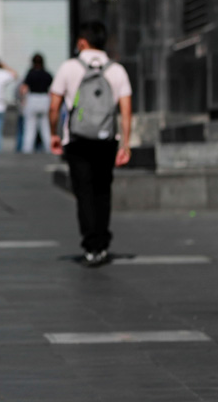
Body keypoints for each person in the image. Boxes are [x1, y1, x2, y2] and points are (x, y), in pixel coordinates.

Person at [48, 20, 133, 267]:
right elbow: (126, 111)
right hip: (106, 140)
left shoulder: (69, 68)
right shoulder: (117, 70)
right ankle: (103, 243)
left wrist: (53, 133)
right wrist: (125, 144)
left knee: (83, 191)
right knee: (102, 191)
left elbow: (54, 106)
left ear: (82, 42)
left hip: (76, 140)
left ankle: (90, 244)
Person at [19, 53, 53, 153]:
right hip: (44, 99)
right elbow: (52, 89)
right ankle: (49, 148)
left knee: (29, 127)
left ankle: (27, 149)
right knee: (46, 127)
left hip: (32, 99)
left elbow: (23, 89)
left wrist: (22, 100)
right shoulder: (47, 74)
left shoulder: (30, 73)